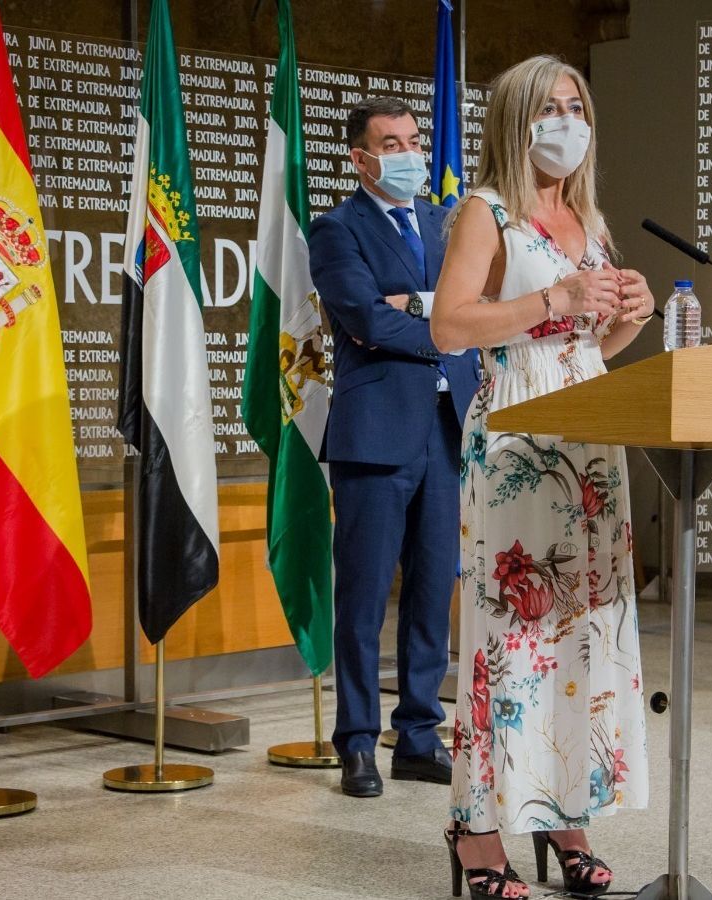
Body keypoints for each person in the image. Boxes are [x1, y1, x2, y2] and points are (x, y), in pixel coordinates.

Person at [430, 56, 656, 898]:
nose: (570, 120)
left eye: (578, 106)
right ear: (519, 119)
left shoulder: (587, 221)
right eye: (553, 107)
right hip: (520, 445)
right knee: (510, 635)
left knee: (580, 633)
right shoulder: (486, 212)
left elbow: (587, 351)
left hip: (590, 434)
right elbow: (450, 326)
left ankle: (564, 810)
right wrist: (551, 301)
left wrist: (624, 320)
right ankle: (478, 827)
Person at [309, 97, 482, 798]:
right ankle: (356, 742)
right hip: (375, 438)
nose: (409, 153)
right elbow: (362, 317)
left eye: (414, 140)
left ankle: (417, 734)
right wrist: (441, 319)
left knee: (433, 591)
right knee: (362, 599)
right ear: (360, 158)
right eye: (392, 143)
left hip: (447, 436)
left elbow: (469, 307)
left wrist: (417, 306)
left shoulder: (447, 226)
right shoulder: (336, 229)